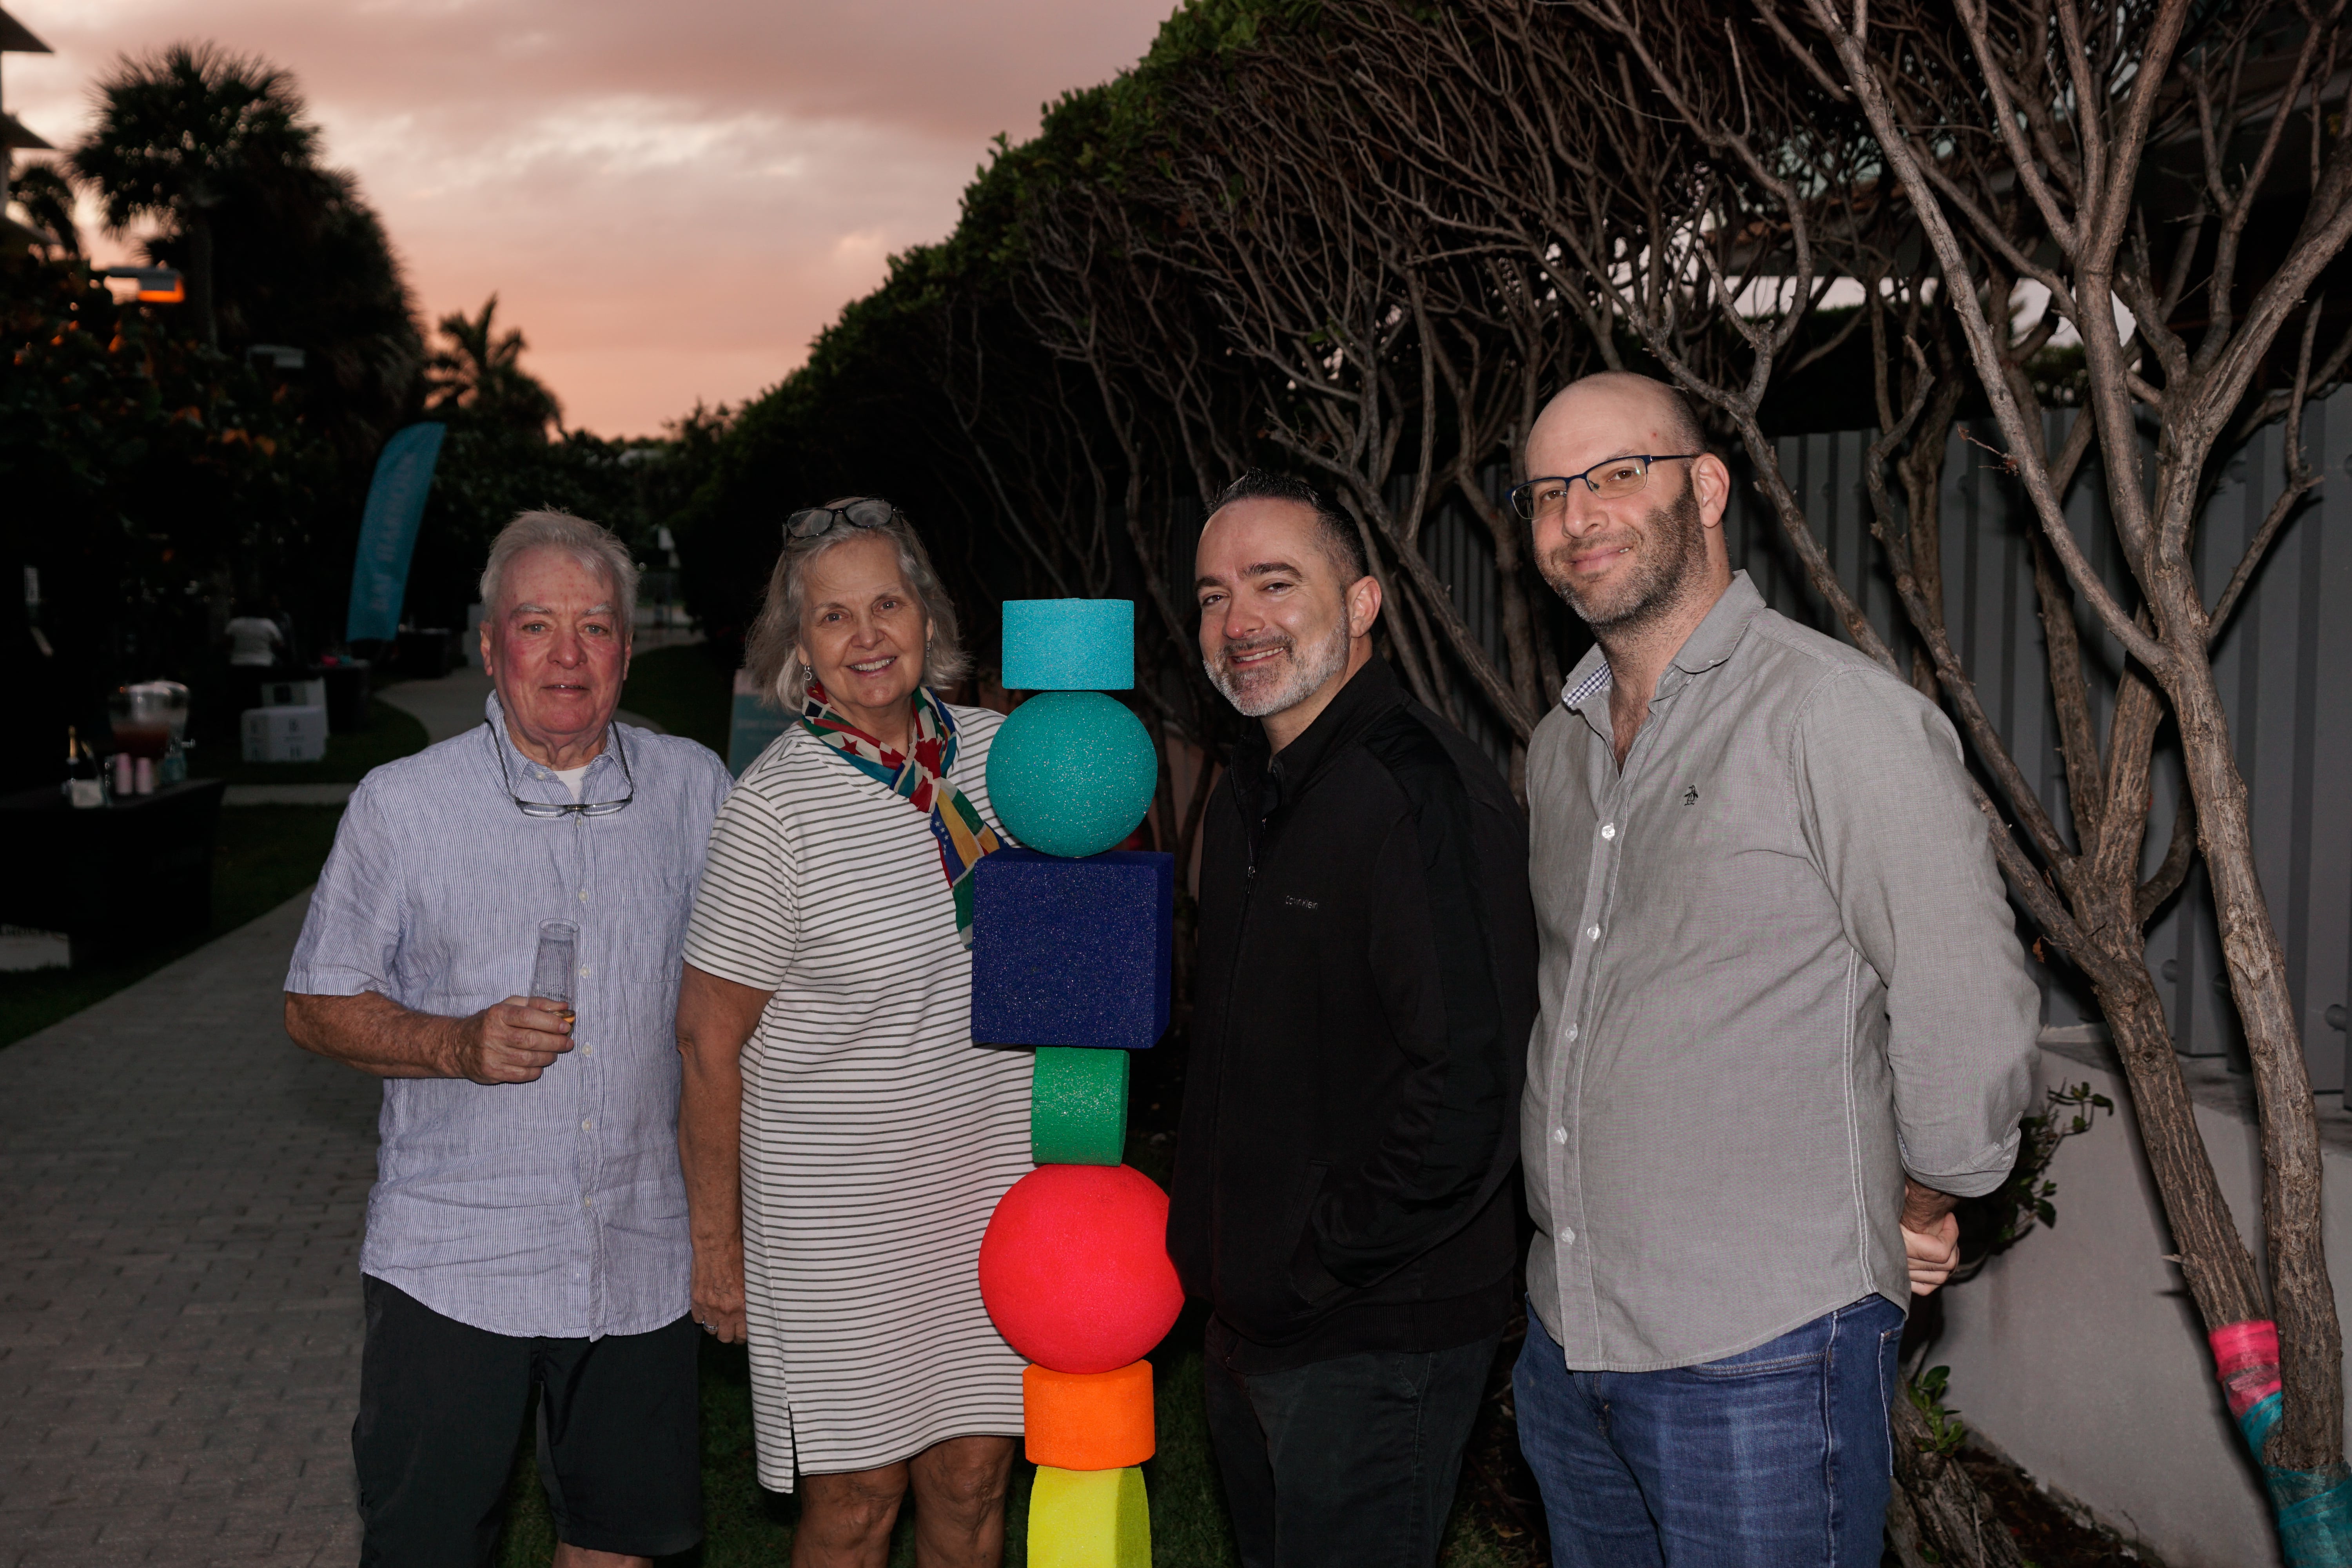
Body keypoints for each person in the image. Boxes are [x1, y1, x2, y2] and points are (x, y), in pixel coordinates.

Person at [1510, 372, 2040, 1566]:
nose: (1577, 516)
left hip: (1763, 1354)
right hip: (1566, 1333)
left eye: (1614, 475)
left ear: (1706, 487)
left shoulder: (1836, 717)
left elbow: (1967, 1001)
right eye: (1547, 493)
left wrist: (1922, 1199)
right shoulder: (1560, 748)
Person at [284, 510, 733, 1568]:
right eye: (537, 625)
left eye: (597, 627)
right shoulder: (405, 806)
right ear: (492, 647)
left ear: (631, 646)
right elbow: (314, 1004)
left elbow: (744, 1001)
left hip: (640, 1254)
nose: (568, 656)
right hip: (455, 1259)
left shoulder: (694, 791)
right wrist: (456, 1045)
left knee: (623, 1547)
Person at [1170, 470, 1537, 1568]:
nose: (1239, 622)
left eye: (1275, 583)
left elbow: (1470, 1090)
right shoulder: (1252, 791)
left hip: (1377, 1334)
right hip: (1256, 1321)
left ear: (1365, 603)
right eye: (1212, 594)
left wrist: (1312, 1263)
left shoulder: (1415, 793)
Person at [673, 498, 1026, 1568]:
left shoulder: (1014, 763)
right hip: (838, 1220)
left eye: (887, 604)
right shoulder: (773, 810)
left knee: (971, 1483)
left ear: (927, 615)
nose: (868, 637)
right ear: (801, 648)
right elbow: (704, 1041)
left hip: (989, 1188)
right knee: (858, 1499)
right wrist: (717, 1249)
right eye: (834, 618)